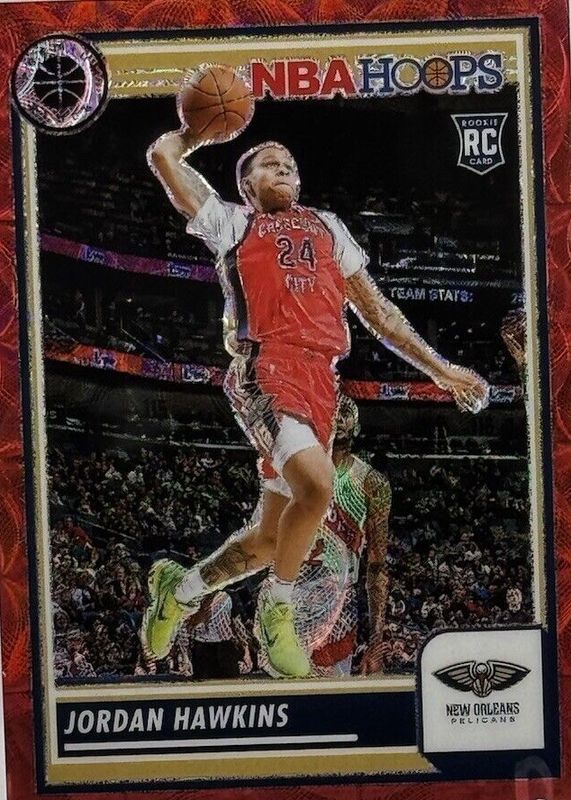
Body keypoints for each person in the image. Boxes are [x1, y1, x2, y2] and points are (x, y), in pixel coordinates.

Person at [142, 107, 489, 678]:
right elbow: (163, 156)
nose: (282, 168)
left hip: (321, 380)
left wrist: (440, 368)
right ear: (246, 184)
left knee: (267, 540)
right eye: (267, 164)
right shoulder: (231, 222)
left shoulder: (328, 227)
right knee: (320, 485)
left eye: (289, 164)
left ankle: (179, 591)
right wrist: (197, 132)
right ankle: (277, 611)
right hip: (265, 368)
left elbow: (379, 313)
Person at [259, 394, 391, 677]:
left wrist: (376, 640)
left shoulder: (371, 482)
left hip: (339, 607)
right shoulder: (291, 469)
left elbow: (378, 566)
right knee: (281, 691)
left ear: (357, 426)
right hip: (289, 596)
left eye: (346, 413)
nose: (339, 418)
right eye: (334, 411)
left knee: (328, 693)